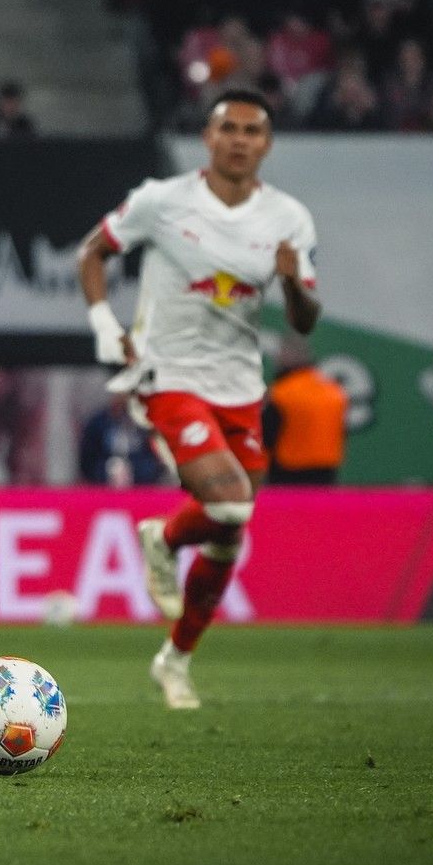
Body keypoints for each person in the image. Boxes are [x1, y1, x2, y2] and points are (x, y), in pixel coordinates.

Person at [75, 88, 321, 709]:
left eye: (253, 131)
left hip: (240, 386)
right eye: (229, 128)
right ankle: (161, 537)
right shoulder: (162, 201)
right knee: (232, 502)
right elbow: (93, 252)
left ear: (267, 144)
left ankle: (175, 658)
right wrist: (107, 326)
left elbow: (305, 320)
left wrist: (294, 285)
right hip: (167, 375)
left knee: (228, 536)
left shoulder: (288, 218)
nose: (240, 140)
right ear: (208, 138)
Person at [263, 337, 347, 485]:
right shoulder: (335, 391)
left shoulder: (281, 393)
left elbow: (267, 437)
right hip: (327, 473)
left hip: (286, 473)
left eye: (282, 353)